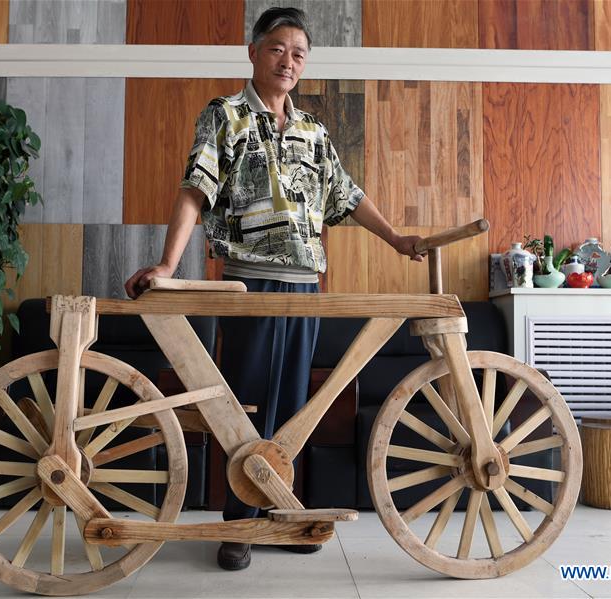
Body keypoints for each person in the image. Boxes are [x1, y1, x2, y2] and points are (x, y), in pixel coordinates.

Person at [125, 7, 424, 571]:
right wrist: (167, 263)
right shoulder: (225, 115)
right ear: (254, 52)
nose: (288, 61)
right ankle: (239, 523)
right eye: (277, 49)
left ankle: (282, 513)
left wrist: (396, 239)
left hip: (305, 287)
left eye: (298, 53)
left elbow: (348, 195)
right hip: (249, 285)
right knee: (245, 402)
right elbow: (195, 189)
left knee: (293, 408)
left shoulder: (313, 131)